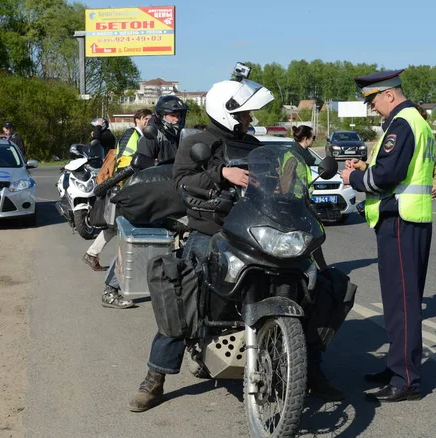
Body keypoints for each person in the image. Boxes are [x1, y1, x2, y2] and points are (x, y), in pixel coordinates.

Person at [129, 76, 344, 414]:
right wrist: (222, 174)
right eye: (244, 114)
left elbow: (275, 185)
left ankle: (309, 367)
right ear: (227, 112)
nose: (249, 119)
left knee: (314, 280)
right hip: (211, 229)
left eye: (249, 115)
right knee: (184, 288)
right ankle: (155, 377)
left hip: (254, 229)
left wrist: (290, 184)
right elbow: (181, 182)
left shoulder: (257, 146)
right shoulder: (196, 143)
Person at [340, 69, 435, 403]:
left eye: (373, 101)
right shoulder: (408, 121)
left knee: (403, 303)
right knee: (396, 301)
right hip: (402, 219)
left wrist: (353, 177)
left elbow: (386, 177)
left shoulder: (403, 123)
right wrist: (365, 171)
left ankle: (406, 379)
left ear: (389, 94)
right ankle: (396, 365)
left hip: (401, 220)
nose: (373, 108)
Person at [100, 98, 189, 309]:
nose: (176, 120)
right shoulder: (152, 135)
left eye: (179, 115)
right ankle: (111, 290)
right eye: (172, 115)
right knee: (141, 240)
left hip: (176, 195)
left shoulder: (181, 137)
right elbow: (142, 166)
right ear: (160, 115)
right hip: (153, 196)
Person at [82, 109, 153, 272]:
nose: (149, 122)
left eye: (150, 119)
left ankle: (92, 254)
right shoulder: (132, 134)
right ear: (138, 119)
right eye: (146, 119)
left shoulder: (141, 136)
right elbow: (125, 161)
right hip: (127, 185)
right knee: (125, 224)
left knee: (115, 224)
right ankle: (129, 265)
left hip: (129, 184)